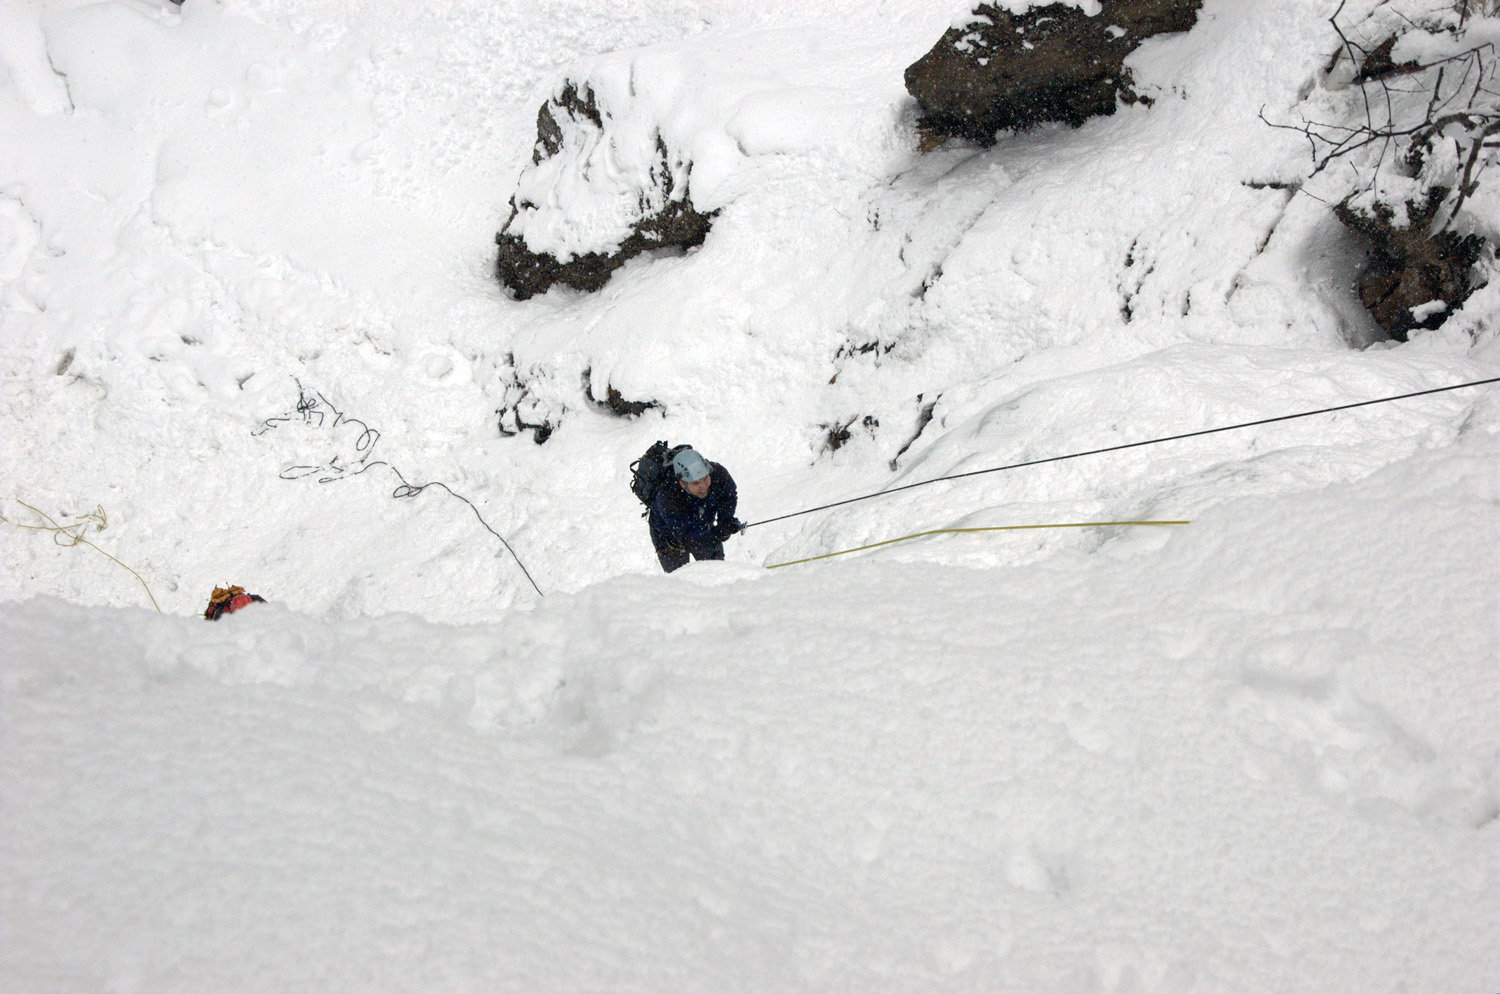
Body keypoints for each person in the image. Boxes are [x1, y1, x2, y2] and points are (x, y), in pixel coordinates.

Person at [649, 447, 742, 573]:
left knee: (717, 571)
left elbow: (728, 496)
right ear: (683, 483)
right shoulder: (667, 497)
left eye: (705, 478)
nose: (703, 486)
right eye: (696, 483)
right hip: (669, 537)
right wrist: (716, 534)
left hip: (703, 522)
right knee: (680, 578)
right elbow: (688, 537)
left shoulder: (717, 474)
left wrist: (725, 519)